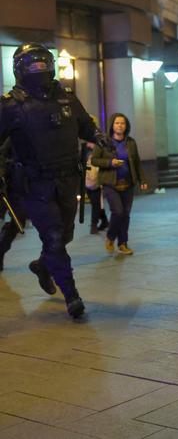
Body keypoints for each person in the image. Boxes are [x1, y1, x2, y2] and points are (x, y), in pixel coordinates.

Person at [0, 43, 106, 318]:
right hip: (35, 184)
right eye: (33, 65)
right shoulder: (11, 106)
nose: (39, 69)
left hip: (68, 179)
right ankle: (72, 295)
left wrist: (98, 136)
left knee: (66, 233)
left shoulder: (67, 98)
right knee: (55, 236)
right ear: (21, 69)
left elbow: (85, 124)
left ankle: (43, 266)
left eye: (43, 64)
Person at [91, 113, 148, 256]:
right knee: (118, 212)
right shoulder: (103, 142)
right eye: (117, 123)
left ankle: (123, 243)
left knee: (126, 215)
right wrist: (110, 163)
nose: (120, 126)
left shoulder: (131, 142)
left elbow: (136, 162)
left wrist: (143, 180)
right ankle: (110, 237)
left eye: (122, 123)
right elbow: (94, 160)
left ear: (126, 126)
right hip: (110, 183)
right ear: (112, 125)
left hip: (128, 183)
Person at [0, 139, 27, 271]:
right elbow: (2, 154)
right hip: (13, 186)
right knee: (17, 222)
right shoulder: (15, 134)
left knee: (18, 222)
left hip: (32, 185)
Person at [84, 140, 109, 235]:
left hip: (97, 183)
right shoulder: (85, 150)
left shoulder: (100, 151)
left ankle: (93, 225)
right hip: (88, 182)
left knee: (96, 205)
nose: (88, 143)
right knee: (97, 204)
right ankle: (105, 222)